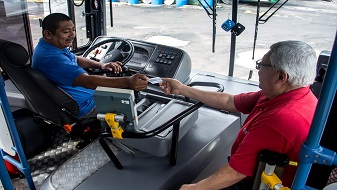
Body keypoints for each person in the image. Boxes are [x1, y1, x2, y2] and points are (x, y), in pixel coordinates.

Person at [159, 40, 318, 189]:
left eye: (261, 65)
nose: (258, 70)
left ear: (281, 77)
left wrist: (193, 188)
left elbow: (236, 172)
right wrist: (181, 89)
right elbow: (230, 101)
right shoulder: (286, 95)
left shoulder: (281, 119)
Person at [32, 13, 148, 118]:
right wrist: (128, 81)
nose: (72, 35)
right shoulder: (52, 58)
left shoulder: (50, 47)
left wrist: (101, 65)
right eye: (66, 32)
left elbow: (75, 58)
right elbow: (87, 82)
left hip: (82, 97)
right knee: (129, 91)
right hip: (85, 107)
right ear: (48, 34)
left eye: (73, 30)